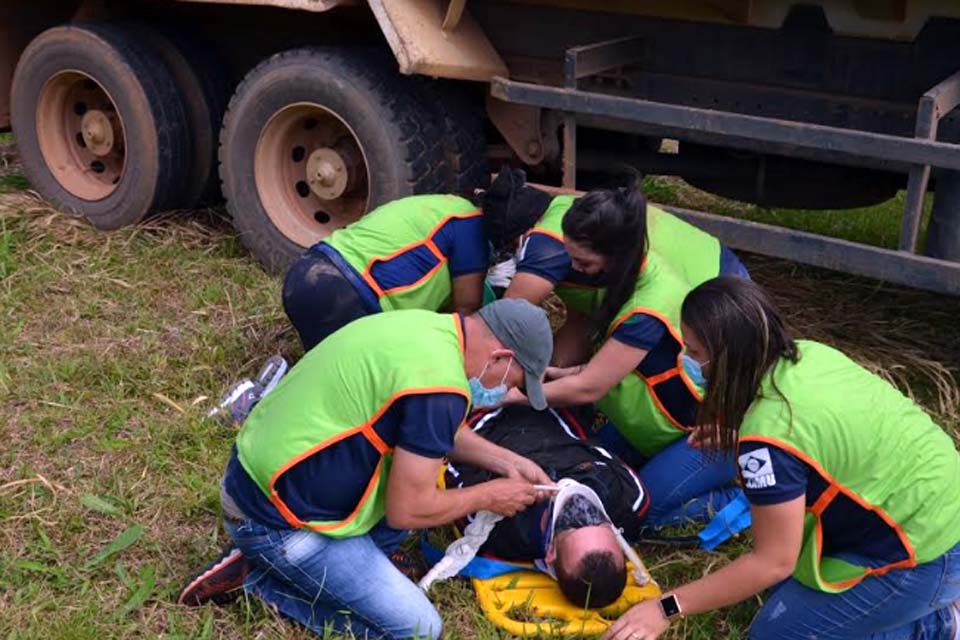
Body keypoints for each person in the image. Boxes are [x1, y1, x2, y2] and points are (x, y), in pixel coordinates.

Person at [602, 276, 960, 640]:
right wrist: (742, 431)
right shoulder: (808, 352)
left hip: (927, 550)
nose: (687, 361)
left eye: (694, 352)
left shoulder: (768, 441)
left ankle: (939, 624)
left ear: (727, 357)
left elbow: (773, 561)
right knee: (786, 596)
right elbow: (815, 432)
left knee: (775, 635)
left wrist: (665, 607)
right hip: (938, 501)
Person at [179, 299, 556, 640]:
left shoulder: (428, 331)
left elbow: (433, 433)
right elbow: (407, 508)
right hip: (274, 522)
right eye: (513, 383)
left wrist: (510, 462)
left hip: (253, 478)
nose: (504, 392)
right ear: (500, 358)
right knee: (420, 630)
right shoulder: (439, 388)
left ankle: (311, 566)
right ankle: (260, 581)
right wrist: (491, 495)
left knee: (415, 478)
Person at [502, 185, 749, 529]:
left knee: (637, 513)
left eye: (583, 262)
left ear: (615, 254)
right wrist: (557, 373)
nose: (574, 269)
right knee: (587, 474)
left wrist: (517, 396)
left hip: (699, 433)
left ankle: (742, 498)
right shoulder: (621, 276)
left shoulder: (650, 305)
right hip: (651, 426)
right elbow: (615, 364)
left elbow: (590, 388)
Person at [282, 168, 545, 350]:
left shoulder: (448, 207)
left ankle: (268, 392)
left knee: (318, 369)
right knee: (359, 384)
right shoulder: (470, 229)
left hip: (308, 272)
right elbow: (466, 315)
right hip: (344, 293)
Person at [446, 406, 649, 608]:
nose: (581, 506)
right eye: (598, 518)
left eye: (572, 525)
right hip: (550, 405)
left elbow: (451, 461)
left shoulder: (499, 529)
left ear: (551, 554)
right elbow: (592, 445)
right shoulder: (628, 502)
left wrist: (494, 483)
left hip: (476, 421)